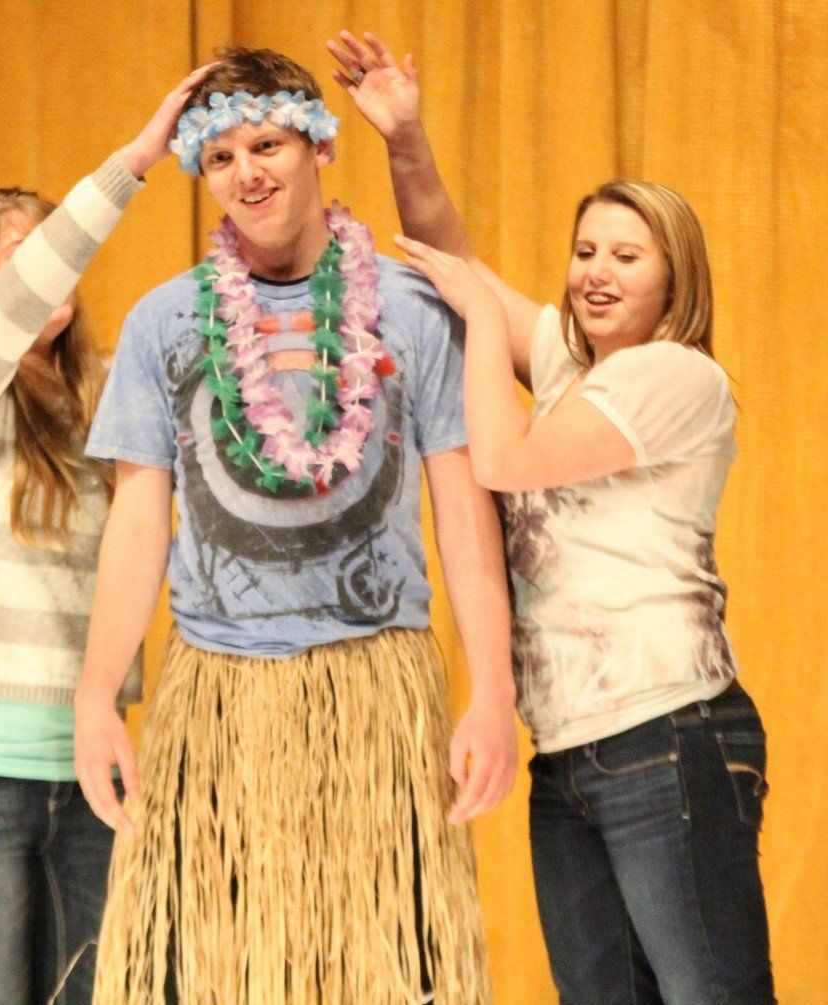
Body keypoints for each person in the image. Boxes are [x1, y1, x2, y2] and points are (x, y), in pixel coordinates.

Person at [328, 30, 776, 1005]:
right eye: (582, 252)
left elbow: (503, 457)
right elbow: (451, 261)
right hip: (568, 751)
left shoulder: (676, 375)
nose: (594, 272)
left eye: (626, 254)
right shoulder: (577, 367)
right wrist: (404, 137)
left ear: (673, 280)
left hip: (668, 734)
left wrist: (484, 323)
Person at [76, 48, 517, 1005]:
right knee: (212, 975)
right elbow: (137, 524)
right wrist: (97, 695)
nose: (249, 172)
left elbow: (463, 512)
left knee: (390, 973)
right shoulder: (163, 324)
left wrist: (492, 691)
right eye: (223, 155)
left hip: (376, 685)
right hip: (218, 698)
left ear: (320, 147)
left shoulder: (412, 308)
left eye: (268, 142)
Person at [0, 68, 213, 1005]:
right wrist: (133, 165)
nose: (49, 273)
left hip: (92, 762)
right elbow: (11, 312)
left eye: (54, 253)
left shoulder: (113, 393)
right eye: (20, 259)